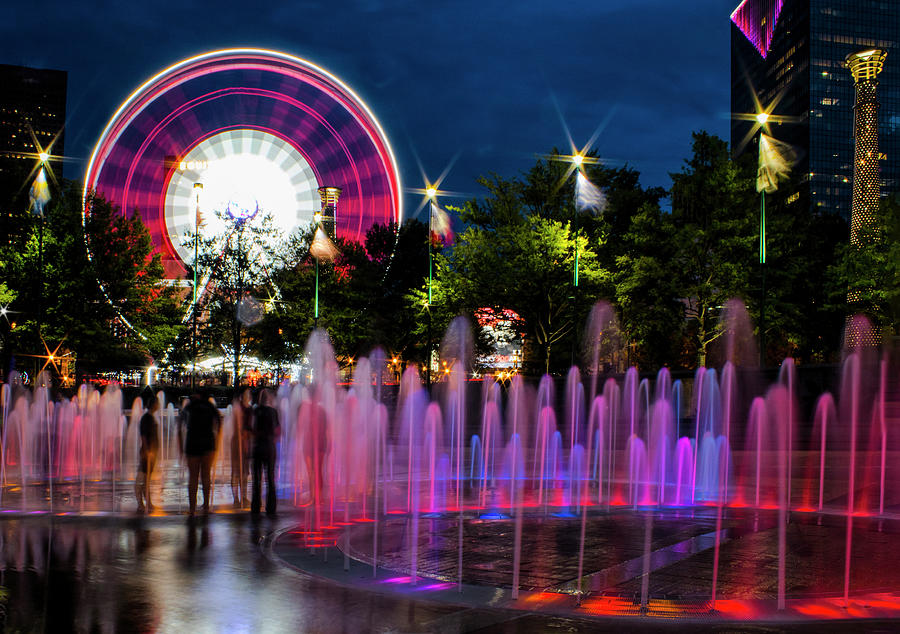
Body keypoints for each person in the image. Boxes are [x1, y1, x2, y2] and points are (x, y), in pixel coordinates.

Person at [180, 391, 221, 515]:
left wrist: (180, 447)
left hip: (192, 444)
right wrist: (217, 442)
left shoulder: (189, 407)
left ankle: (192, 509)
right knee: (206, 476)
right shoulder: (210, 407)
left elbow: (179, 425)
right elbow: (219, 423)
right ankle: (206, 507)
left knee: (193, 477)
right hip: (208, 444)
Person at [251, 388, 280, 515]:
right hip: (269, 447)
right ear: (269, 399)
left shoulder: (255, 411)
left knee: (256, 478)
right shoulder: (273, 412)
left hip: (257, 447)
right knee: (270, 478)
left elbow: (252, 428)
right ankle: (271, 507)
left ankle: (256, 506)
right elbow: (278, 430)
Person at [135, 396, 161, 513]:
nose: (159, 405)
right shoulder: (147, 418)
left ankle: (148, 503)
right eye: (158, 403)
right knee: (142, 478)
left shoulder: (150, 417)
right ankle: (141, 504)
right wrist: (146, 450)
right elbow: (144, 435)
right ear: (154, 404)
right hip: (148, 453)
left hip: (151, 452)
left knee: (146, 479)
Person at [230, 388, 253, 508]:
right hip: (237, 442)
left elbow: (252, 426)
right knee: (236, 471)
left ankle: (243, 496)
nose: (247, 396)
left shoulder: (250, 409)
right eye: (246, 393)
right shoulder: (238, 408)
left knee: (244, 471)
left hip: (246, 442)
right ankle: (236, 498)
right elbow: (235, 425)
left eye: (249, 394)